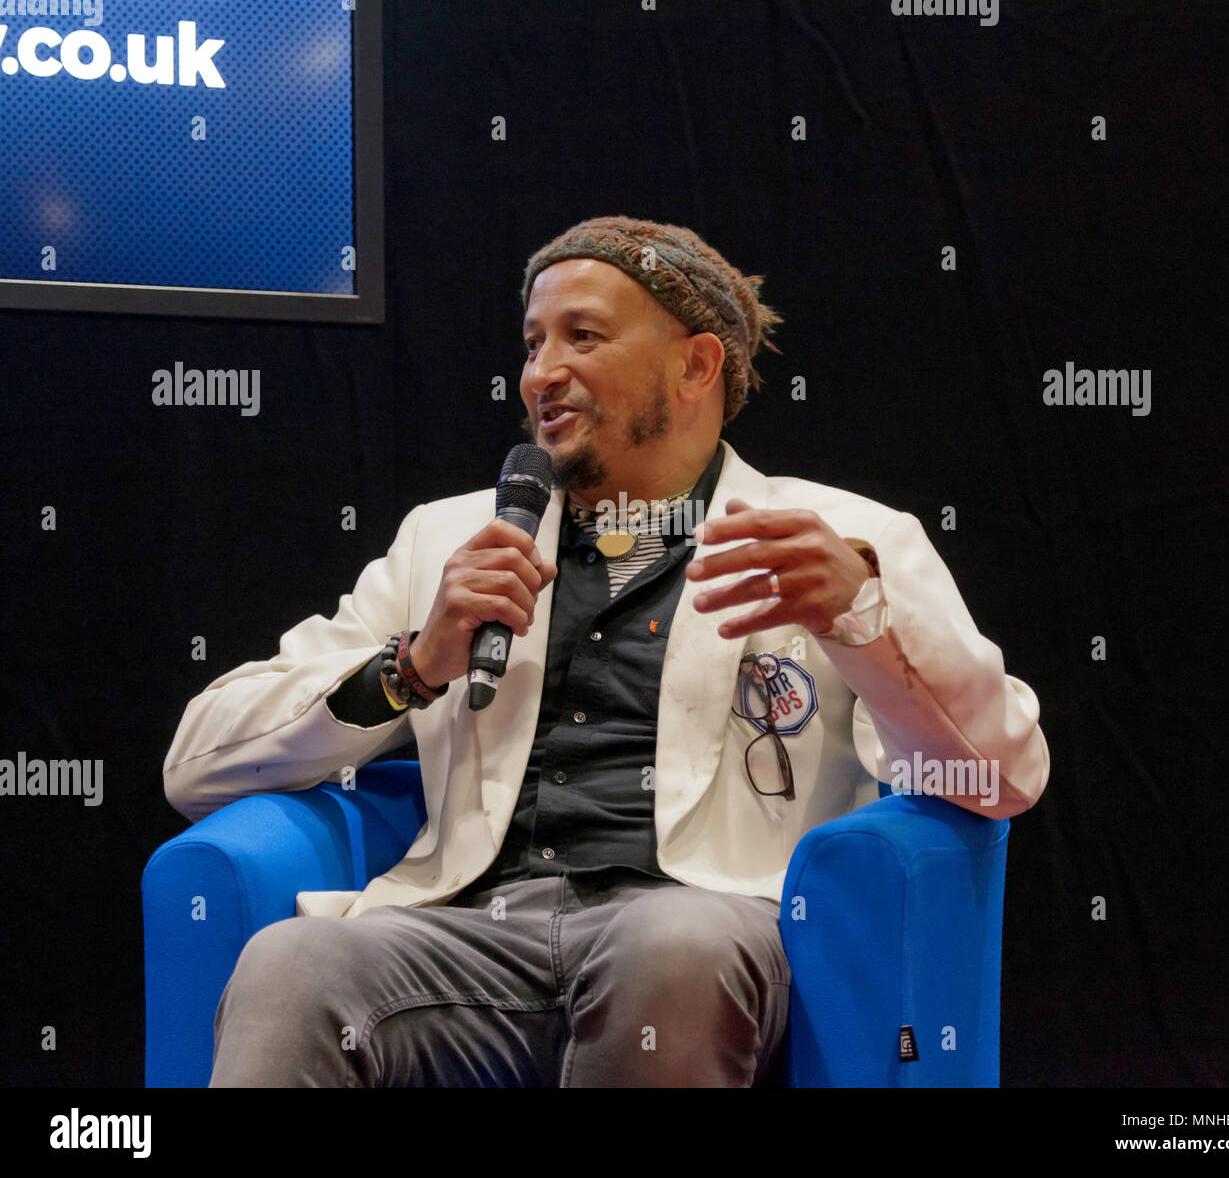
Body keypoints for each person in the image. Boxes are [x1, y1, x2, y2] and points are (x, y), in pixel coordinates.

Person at [163, 215, 1050, 1087]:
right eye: (531, 342)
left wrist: (861, 618)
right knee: (292, 963)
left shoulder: (839, 538)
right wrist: (413, 664)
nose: (540, 374)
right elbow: (196, 762)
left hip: (704, 922)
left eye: (581, 336)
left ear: (696, 365)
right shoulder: (449, 541)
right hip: (469, 929)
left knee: (666, 949)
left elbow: (1005, 772)